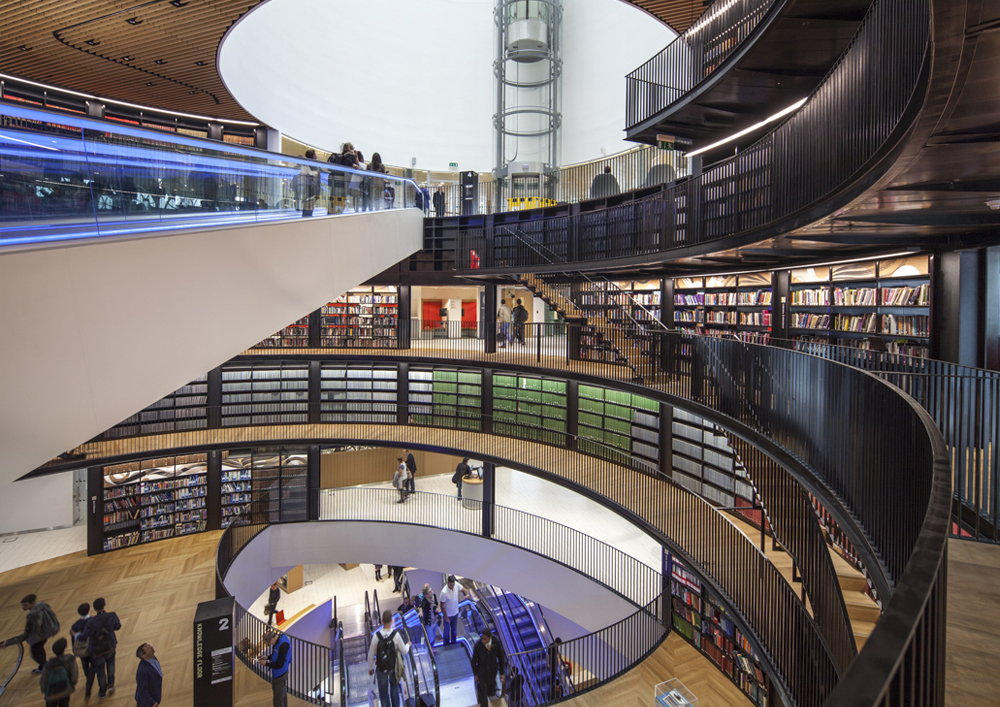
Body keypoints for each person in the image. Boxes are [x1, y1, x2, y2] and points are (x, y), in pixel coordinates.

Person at [1, 594, 59, 673]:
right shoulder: (42, 606)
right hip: (44, 634)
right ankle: (43, 667)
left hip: (37, 639)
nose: (23, 608)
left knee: (36, 655)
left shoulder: (32, 617)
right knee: (40, 651)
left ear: (33, 603)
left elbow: (26, 634)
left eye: (25, 605)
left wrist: (8, 642)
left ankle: (47, 668)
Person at [367, 610, 410, 707]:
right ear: (391, 620)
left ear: (382, 621)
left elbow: (371, 654)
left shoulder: (376, 636)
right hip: (393, 668)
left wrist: (370, 668)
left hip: (381, 669)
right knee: (394, 688)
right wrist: (408, 644)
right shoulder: (396, 635)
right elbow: (404, 651)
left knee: (383, 693)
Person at [81, 597, 120, 699]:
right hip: (110, 645)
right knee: (111, 664)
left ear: (94, 608)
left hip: (97, 650)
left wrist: (75, 634)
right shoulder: (111, 616)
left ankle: (102, 691)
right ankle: (111, 684)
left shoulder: (90, 622)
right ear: (104, 605)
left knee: (100, 671)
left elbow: (84, 636)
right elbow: (118, 626)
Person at [39, 637, 77, 707]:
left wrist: (45, 691)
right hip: (65, 689)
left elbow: (43, 681)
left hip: (51, 693)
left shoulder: (48, 664)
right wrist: (70, 685)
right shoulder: (70, 659)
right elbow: (74, 676)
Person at [257, 630, 292, 707]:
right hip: (277, 673)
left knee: (278, 698)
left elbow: (279, 664)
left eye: (269, 644)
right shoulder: (278, 640)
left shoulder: (283, 645)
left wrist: (265, 663)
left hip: (280, 675)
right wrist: (266, 657)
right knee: (281, 694)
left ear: (272, 640)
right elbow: (276, 654)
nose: (269, 645)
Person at [472, 628, 505, 707]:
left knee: (491, 690)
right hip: (482, 672)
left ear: (490, 637)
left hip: (492, 670)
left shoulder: (496, 643)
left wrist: (502, 673)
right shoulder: (478, 645)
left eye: (485, 639)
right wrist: (475, 674)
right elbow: (473, 660)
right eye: (482, 638)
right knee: (483, 693)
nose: (483, 640)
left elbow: (501, 657)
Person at [70, 603, 93, 698]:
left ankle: (88, 676)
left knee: (85, 664)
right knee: (94, 664)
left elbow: (74, 640)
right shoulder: (92, 621)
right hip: (92, 648)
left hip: (82, 650)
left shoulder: (75, 626)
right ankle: (89, 682)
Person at [439, 575, 468, 646]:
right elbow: (442, 606)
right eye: (451, 585)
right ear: (448, 583)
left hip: (455, 613)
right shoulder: (444, 592)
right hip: (448, 615)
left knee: (454, 630)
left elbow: (465, 590)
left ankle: (453, 643)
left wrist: (466, 595)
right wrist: (445, 617)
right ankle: (446, 645)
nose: (453, 586)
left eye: (453, 584)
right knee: (446, 631)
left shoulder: (456, 585)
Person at [134, 643, 162, 707]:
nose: (151, 648)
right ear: (143, 656)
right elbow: (142, 690)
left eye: (150, 645)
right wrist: (151, 703)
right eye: (148, 648)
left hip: (155, 696)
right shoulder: (143, 672)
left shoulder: (153, 658)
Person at [298, 149, 320, 217]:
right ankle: (306, 218)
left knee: (311, 206)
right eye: (315, 154)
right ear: (313, 156)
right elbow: (305, 176)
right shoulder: (306, 166)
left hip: (314, 189)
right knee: (307, 206)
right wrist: (314, 176)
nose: (316, 156)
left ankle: (308, 217)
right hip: (308, 190)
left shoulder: (315, 166)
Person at [420, 584, 439, 653]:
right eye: (429, 592)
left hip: (435, 621)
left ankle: (432, 647)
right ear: (426, 596)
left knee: (434, 635)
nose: (432, 593)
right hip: (429, 623)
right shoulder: (425, 601)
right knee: (431, 637)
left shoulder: (434, 596)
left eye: (431, 590)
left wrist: (437, 608)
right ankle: (428, 648)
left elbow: (436, 603)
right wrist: (420, 612)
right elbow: (421, 607)